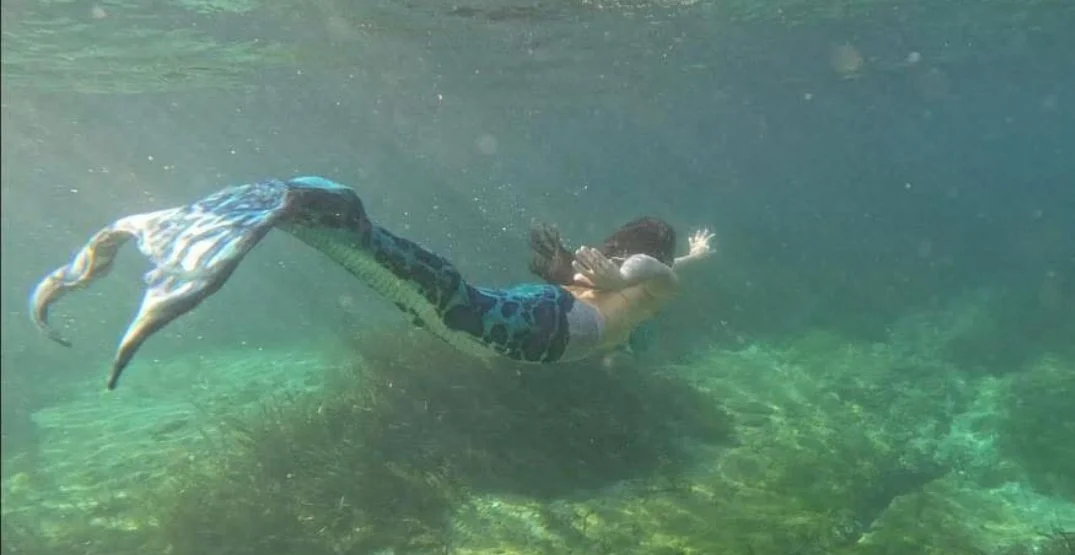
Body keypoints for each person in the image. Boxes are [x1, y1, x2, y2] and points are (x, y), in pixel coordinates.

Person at [29, 176, 716, 390]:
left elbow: (656, 272)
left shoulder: (645, 285)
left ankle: (310, 211)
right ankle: (311, 207)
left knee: (425, 286)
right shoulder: (649, 288)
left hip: (533, 323)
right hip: (534, 330)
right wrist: (631, 269)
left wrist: (643, 264)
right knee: (438, 292)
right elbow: (657, 272)